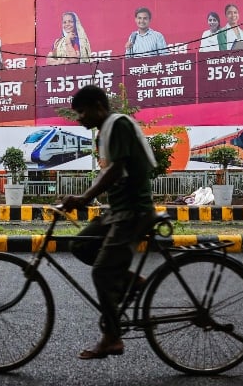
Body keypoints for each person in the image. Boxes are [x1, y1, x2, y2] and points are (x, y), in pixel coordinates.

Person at [61, 85, 157, 360]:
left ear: (99, 106)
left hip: (134, 212)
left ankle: (113, 338)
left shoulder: (118, 124)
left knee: (102, 273)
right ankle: (133, 281)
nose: (78, 118)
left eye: (81, 111)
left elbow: (116, 169)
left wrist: (84, 198)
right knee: (81, 245)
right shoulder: (105, 132)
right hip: (118, 210)